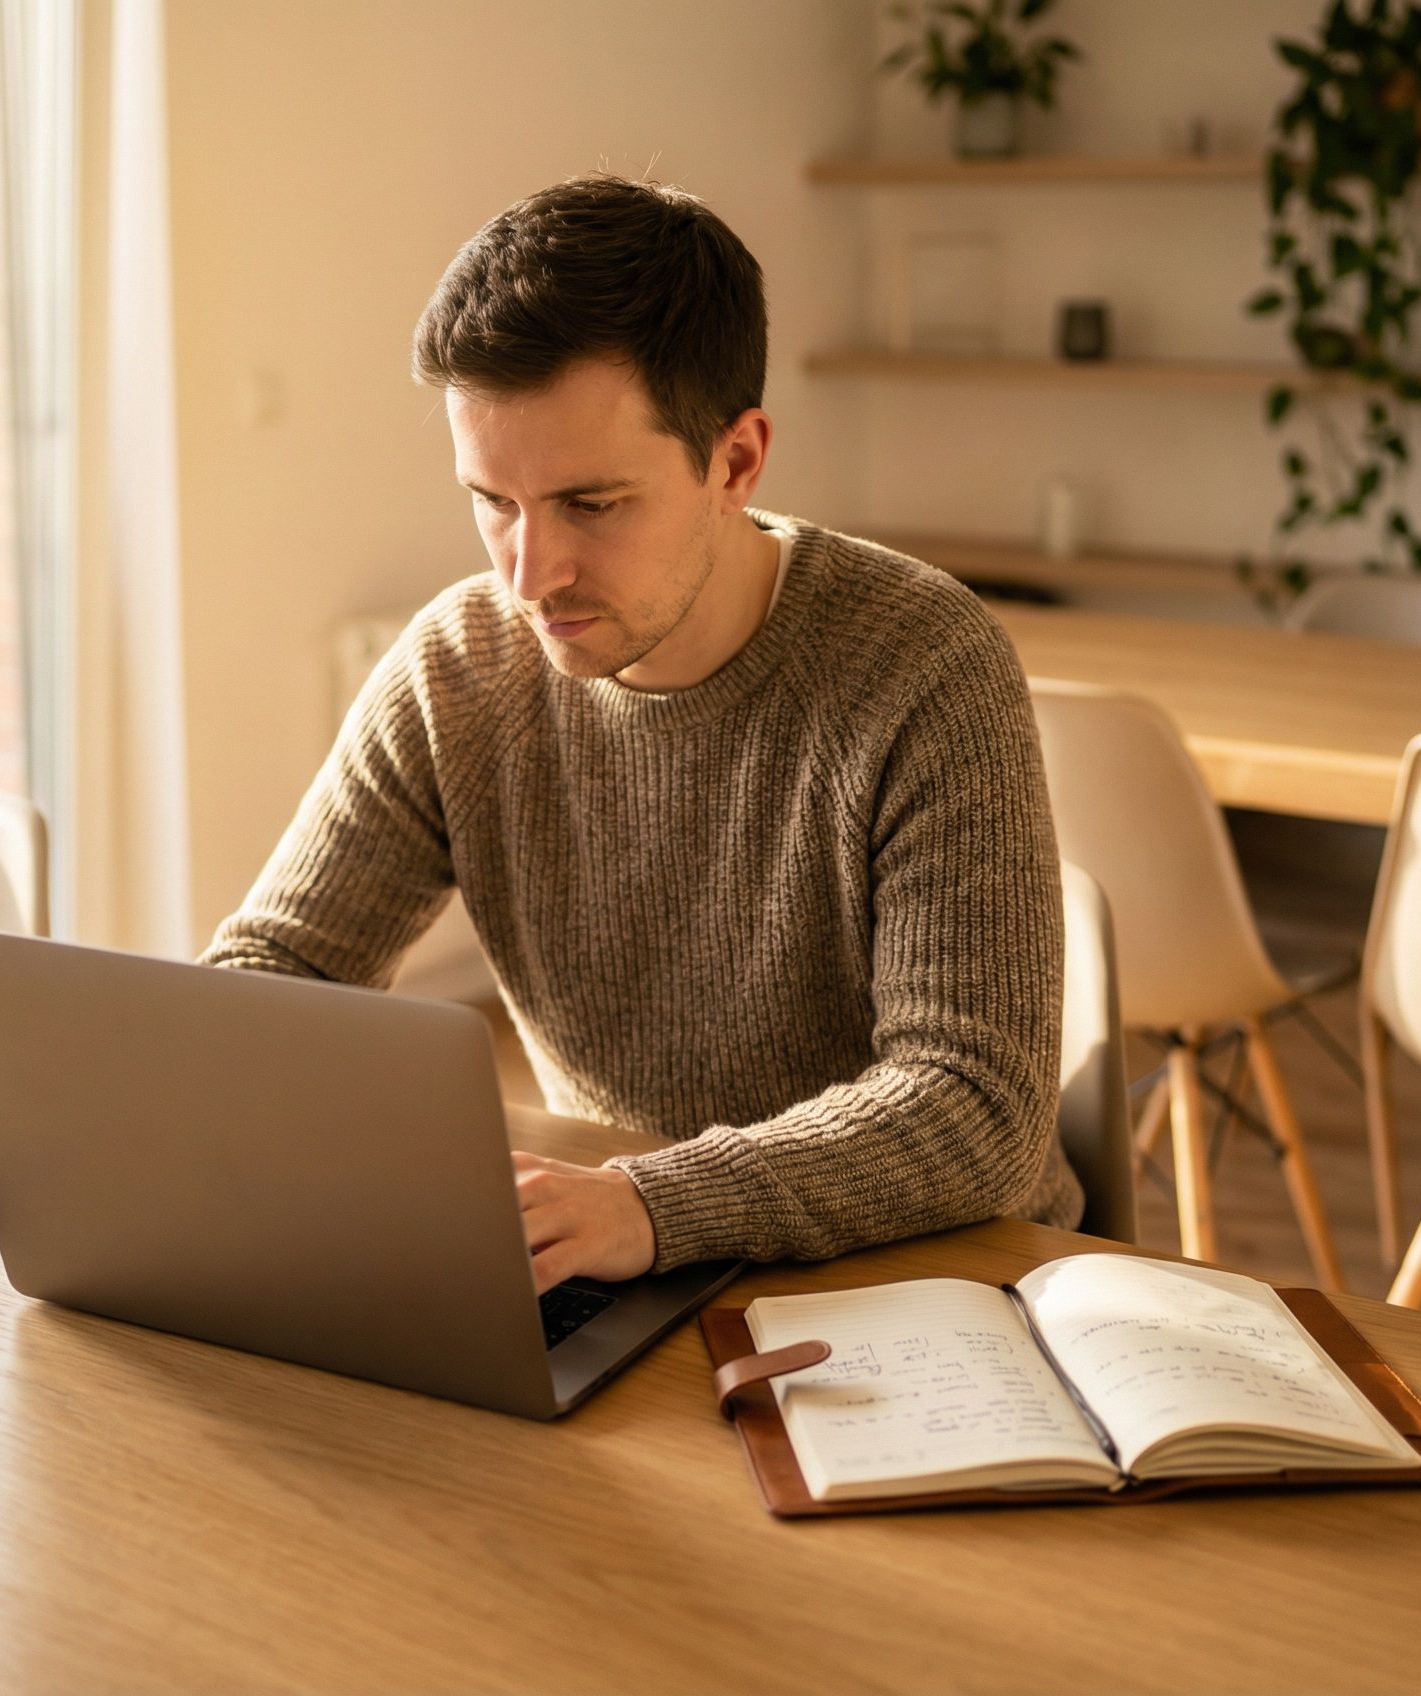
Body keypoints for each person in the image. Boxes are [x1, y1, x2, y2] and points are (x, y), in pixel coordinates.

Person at [201, 173, 1080, 1293]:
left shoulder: (923, 664)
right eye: (493, 502)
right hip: (627, 1267)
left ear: (736, 460)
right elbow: (276, 971)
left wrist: (652, 1203)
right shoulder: (458, 666)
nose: (529, 573)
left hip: (935, 1284)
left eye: (590, 504)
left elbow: (974, 1106)